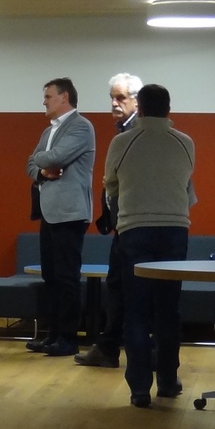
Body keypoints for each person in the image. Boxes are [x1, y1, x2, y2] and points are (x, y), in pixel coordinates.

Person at [103, 83, 196, 407]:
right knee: (168, 310)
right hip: (175, 230)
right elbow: (186, 184)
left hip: (135, 229)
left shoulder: (122, 142)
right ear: (169, 109)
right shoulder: (185, 142)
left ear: (139, 109)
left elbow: (111, 185)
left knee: (137, 311)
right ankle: (168, 381)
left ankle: (140, 388)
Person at [25, 78, 97, 357]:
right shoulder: (49, 130)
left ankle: (68, 339)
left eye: (48, 96)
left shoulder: (81, 126)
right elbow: (31, 163)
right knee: (51, 276)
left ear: (64, 97)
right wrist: (42, 170)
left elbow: (53, 157)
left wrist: (43, 160)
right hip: (49, 211)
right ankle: (53, 335)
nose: (43, 101)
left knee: (67, 277)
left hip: (70, 213)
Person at [78, 72, 142, 370]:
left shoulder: (134, 133)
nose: (114, 103)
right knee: (118, 287)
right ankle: (110, 347)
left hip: (133, 224)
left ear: (136, 101)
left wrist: (112, 183)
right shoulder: (125, 131)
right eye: (112, 98)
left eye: (121, 98)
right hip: (125, 223)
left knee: (122, 288)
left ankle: (113, 349)